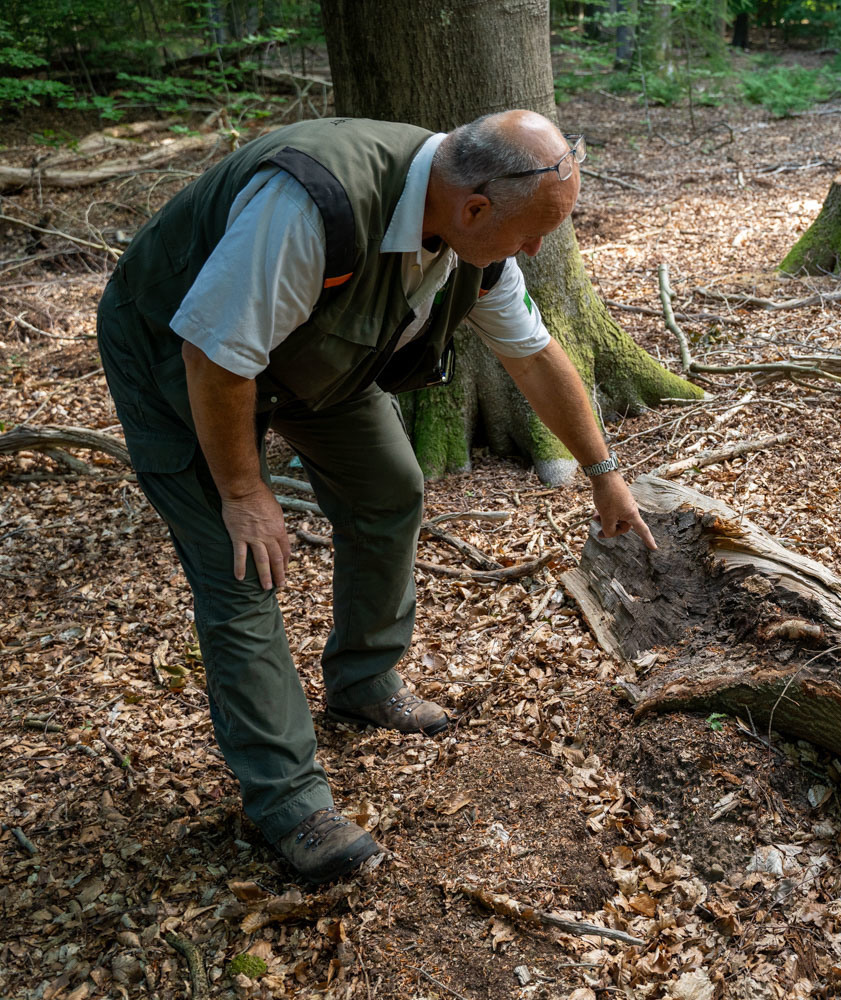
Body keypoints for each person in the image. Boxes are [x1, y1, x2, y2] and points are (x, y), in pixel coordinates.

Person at [97, 110, 656, 883]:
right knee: (242, 565)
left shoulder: (476, 242)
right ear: (473, 209)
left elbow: (534, 356)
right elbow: (216, 355)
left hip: (312, 353)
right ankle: (289, 800)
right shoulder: (308, 204)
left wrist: (604, 472)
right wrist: (243, 488)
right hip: (182, 358)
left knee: (391, 486)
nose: (536, 249)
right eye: (533, 232)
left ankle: (364, 681)